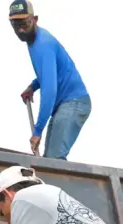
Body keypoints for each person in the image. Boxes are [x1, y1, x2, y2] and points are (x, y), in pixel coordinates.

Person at [8, 0, 91, 160]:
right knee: (49, 160)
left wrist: (38, 131)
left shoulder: (43, 44)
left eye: (24, 23)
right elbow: (50, 73)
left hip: (74, 102)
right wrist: (33, 87)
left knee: (54, 160)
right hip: (65, 104)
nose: (20, 29)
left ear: (35, 19)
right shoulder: (32, 40)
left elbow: (50, 91)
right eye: (15, 25)